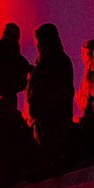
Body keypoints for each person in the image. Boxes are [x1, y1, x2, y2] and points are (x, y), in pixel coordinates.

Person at [24, 23, 75, 172]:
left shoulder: (50, 60)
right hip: (52, 117)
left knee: (49, 149)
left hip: (49, 119)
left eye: (36, 40)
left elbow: (44, 89)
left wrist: (36, 110)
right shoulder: (57, 59)